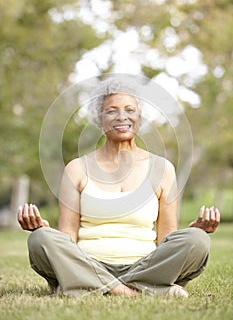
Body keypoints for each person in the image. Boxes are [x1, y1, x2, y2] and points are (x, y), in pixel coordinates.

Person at [18, 78, 220, 298]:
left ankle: (85, 286)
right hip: (89, 263)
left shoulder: (163, 169)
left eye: (130, 110)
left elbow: (165, 237)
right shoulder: (76, 169)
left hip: (144, 265)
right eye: (111, 111)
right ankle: (136, 290)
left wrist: (190, 233)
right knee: (40, 239)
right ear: (99, 120)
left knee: (197, 240)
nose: (122, 116)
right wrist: (47, 231)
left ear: (139, 118)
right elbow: (69, 235)